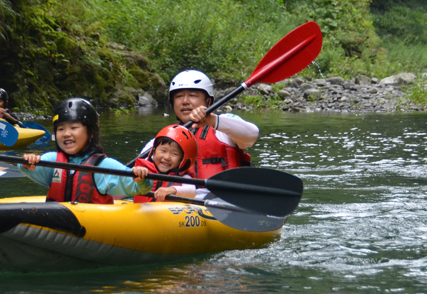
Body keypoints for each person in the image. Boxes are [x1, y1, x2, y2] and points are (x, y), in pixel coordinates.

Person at [21, 98, 153, 203]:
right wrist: (28, 162)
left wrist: (141, 178)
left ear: (90, 133)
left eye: (73, 127)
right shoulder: (52, 160)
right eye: (60, 129)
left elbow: (141, 189)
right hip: (58, 220)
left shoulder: (104, 166)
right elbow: (25, 167)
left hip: (93, 224)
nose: (66, 133)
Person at [138, 70, 259, 179]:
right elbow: (131, 177)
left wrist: (212, 120)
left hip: (223, 200)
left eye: (192, 95)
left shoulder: (224, 124)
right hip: (177, 200)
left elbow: (252, 135)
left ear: (208, 101)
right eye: (179, 96)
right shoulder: (162, 140)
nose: (185, 101)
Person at [133, 125, 198, 203]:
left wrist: (172, 190)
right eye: (163, 151)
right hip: (141, 212)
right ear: (154, 152)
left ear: (183, 160)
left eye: (174, 154)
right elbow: (124, 183)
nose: (167, 157)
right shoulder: (143, 170)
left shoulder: (184, 177)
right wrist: (136, 172)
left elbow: (192, 191)